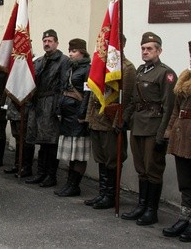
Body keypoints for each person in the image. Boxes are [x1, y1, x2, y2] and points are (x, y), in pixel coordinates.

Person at [121, 32, 177, 225]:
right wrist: (124, 119)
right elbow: (133, 100)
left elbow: (169, 107)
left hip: (153, 128)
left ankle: (151, 211)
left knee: (153, 169)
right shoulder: (140, 71)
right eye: (143, 48)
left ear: (159, 50)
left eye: (149, 49)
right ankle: (141, 206)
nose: (145, 52)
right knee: (141, 169)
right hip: (138, 125)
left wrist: (163, 134)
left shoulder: (165, 73)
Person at [84, 34, 135, 209]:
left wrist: (119, 122)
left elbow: (127, 98)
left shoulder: (127, 68)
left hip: (111, 121)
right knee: (101, 159)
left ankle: (111, 196)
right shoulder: (100, 64)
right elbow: (93, 93)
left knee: (112, 160)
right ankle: (103, 193)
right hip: (98, 119)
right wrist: (89, 117)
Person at [26, 29, 70, 188]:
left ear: (56, 43)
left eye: (50, 41)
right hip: (38, 103)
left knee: (51, 142)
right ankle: (41, 173)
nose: (47, 43)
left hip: (52, 103)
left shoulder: (63, 60)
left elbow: (64, 84)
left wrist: (58, 108)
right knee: (41, 142)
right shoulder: (39, 61)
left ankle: (51, 175)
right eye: (45, 41)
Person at [54, 38, 91, 197]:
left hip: (78, 117)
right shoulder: (70, 68)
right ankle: (69, 183)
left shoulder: (87, 69)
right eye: (69, 51)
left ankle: (74, 185)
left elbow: (88, 93)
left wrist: (83, 114)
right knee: (71, 154)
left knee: (78, 154)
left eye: (74, 51)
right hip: (67, 116)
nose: (70, 54)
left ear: (82, 52)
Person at [162, 41, 191, 241]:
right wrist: (170, 130)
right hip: (182, 136)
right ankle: (184, 217)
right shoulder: (185, 77)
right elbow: (175, 109)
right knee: (185, 182)